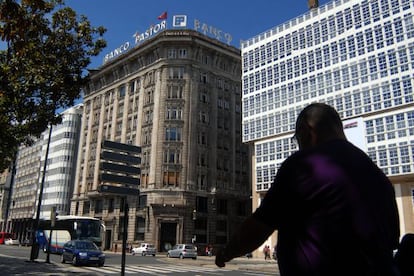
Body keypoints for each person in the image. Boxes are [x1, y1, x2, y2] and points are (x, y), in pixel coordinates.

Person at [215, 103, 400, 276]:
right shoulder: (377, 175)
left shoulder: (303, 165)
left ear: (306, 131)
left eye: (297, 138)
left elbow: (259, 227)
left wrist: (226, 252)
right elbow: (392, 240)